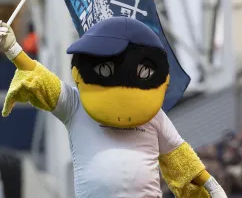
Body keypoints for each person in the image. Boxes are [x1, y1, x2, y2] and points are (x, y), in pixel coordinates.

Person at [0, 18, 228, 198]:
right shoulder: (76, 104)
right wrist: (12, 48)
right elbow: (41, 80)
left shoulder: (152, 115)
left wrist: (210, 186)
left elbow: (180, 158)